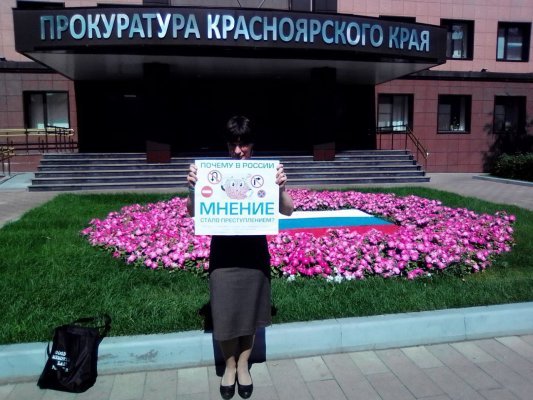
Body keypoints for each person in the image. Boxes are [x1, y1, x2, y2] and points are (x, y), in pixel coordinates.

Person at [186, 116, 294, 399]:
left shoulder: (267, 172)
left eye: (243, 144)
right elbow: (192, 211)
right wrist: (192, 188)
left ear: (252, 144)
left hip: (254, 251)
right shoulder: (213, 173)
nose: (237, 151)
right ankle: (230, 365)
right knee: (224, 311)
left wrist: (281, 187)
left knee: (250, 309)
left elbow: (288, 210)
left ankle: (244, 364)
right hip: (223, 251)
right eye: (232, 144)